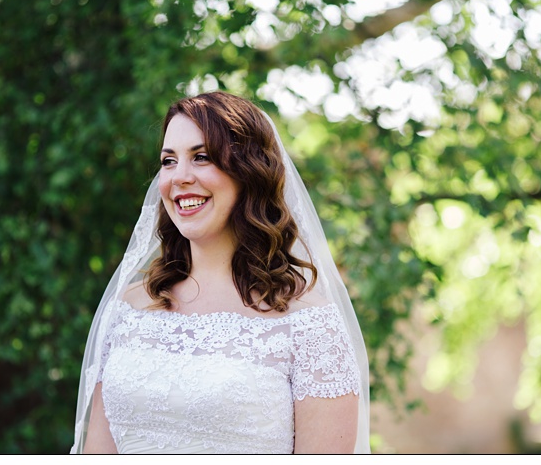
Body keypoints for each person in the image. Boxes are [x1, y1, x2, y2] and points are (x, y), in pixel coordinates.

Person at [72, 91, 370, 454]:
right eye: (168, 161)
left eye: (201, 157)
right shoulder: (130, 308)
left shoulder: (309, 325)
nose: (178, 177)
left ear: (248, 172)